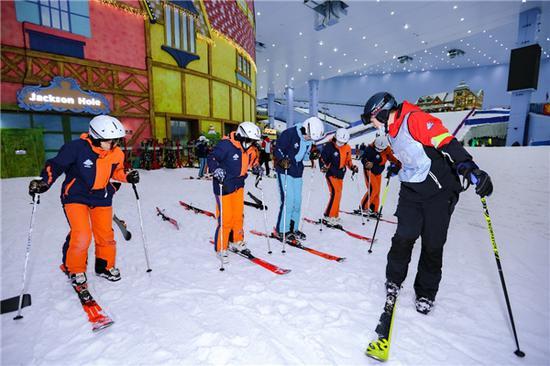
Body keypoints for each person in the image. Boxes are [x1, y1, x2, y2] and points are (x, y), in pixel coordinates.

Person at [361, 92, 493, 315]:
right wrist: (399, 166)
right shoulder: (390, 131)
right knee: (404, 237)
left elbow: (445, 141)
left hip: (439, 192)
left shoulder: (415, 119)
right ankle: (394, 279)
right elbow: (411, 154)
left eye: (372, 118)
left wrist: (469, 167)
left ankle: (426, 292)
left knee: (433, 244)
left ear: (382, 113)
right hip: (412, 191)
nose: (372, 123)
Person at [27, 115, 140, 288]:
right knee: (81, 235)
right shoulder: (75, 148)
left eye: (116, 141)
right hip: (75, 196)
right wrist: (44, 182)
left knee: (105, 235)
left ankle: (104, 267)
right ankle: (75, 269)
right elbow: (55, 166)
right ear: (95, 137)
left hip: (101, 197)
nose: (114, 145)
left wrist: (127, 176)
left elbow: (117, 171)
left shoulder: (116, 153)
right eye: (109, 141)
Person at [207, 122, 262, 263]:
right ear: (241, 136)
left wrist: (257, 168)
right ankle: (221, 248)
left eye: (253, 142)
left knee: (238, 216)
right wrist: (216, 169)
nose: (251, 144)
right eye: (249, 141)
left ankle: (237, 240)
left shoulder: (250, 148)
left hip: (239, 185)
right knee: (226, 219)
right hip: (223, 185)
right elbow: (212, 158)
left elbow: (254, 160)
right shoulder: (226, 145)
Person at [273, 117, 325, 241]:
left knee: (297, 202)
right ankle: (282, 230)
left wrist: (311, 155)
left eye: (311, 138)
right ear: (305, 128)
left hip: (297, 172)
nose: (309, 139)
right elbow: (277, 148)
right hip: (285, 170)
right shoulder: (289, 134)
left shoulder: (308, 140)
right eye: (309, 136)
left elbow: (305, 157)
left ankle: (293, 228)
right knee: (289, 200)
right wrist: (281, 159)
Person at [319, 128, 358, 227]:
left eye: (343, 142)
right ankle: (330, 216)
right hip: (331, 173)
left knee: (338, 194)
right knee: (335, 193)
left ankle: (332, 214)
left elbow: (348, 161)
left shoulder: (347, 148)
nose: (340, 144)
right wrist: (323, 166)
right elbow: (322, 159)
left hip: (341, 174)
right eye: (339, 141)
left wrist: (352, 167)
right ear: (335, 138)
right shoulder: (329, 146)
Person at [358, 134, 401, 218]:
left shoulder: (387, 149)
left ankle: (373, 209)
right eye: (377, 148)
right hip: (369, 171)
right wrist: (367, 163)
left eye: (381, 149)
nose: (379, 150)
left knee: (377, 191)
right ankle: (363, 207)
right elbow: (363, 158)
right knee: (373, 189)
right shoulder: (369, 149)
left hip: (378, 172)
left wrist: (398, 163)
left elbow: (391, 157)